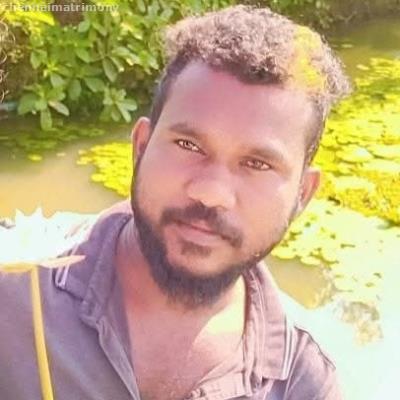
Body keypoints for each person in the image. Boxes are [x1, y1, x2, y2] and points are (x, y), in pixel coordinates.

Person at [0, 5, 350, 400]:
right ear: (141, 147)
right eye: (188, 144)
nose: (211, 191)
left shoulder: (304, 383)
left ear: (302, 193)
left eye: (257, 164)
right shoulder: (16, 282)